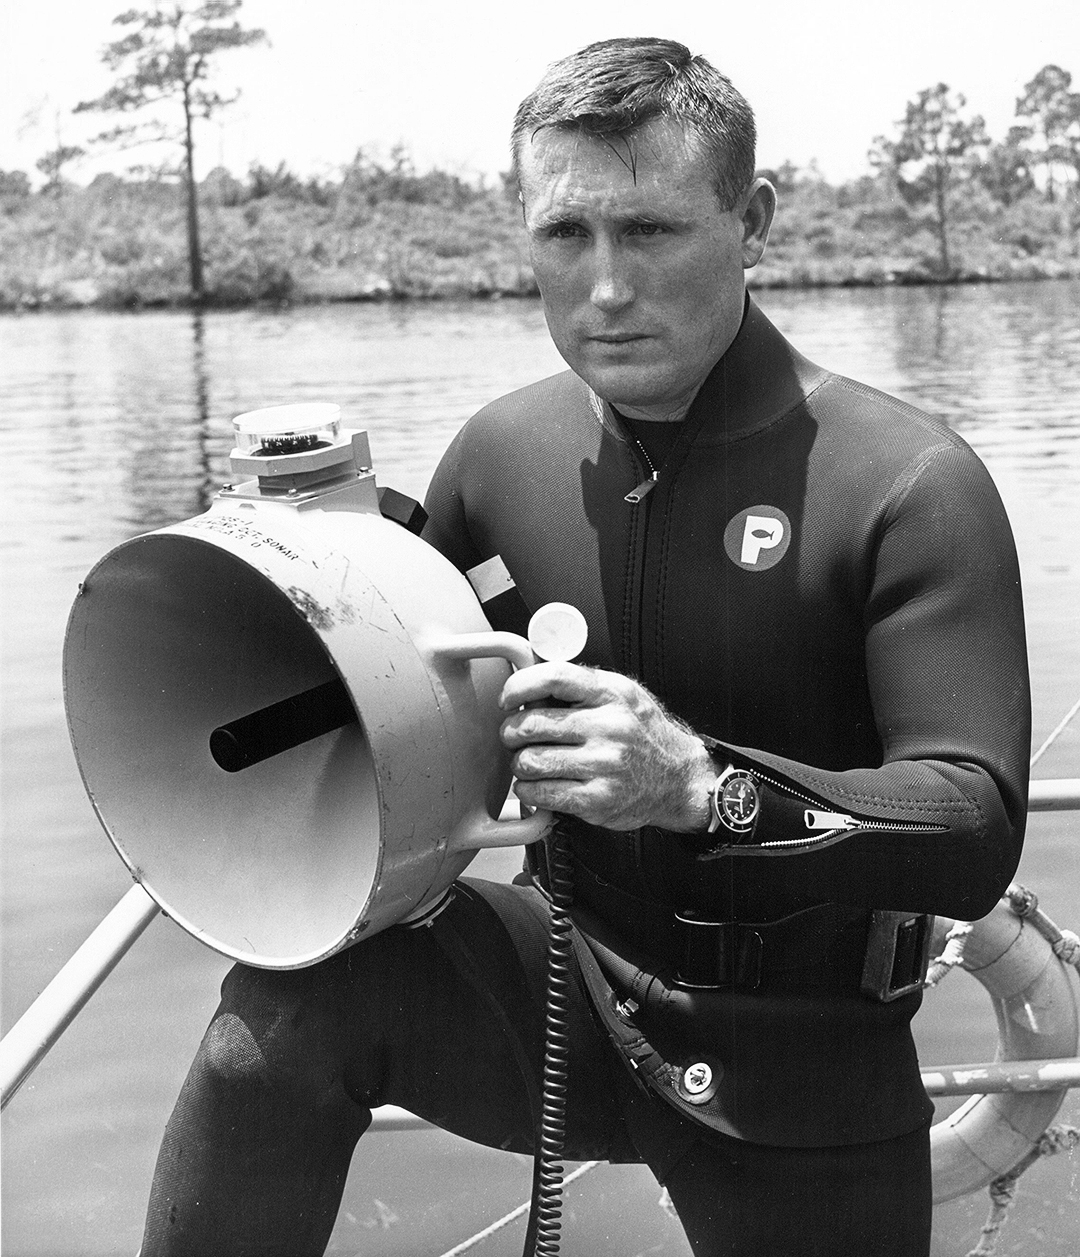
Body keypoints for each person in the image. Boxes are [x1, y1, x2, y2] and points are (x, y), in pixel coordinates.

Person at [140, 37, 1030, 1257]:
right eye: (566, 236)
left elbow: (973, 829)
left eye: (652, 232)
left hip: (806, 1045)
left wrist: (700, 786)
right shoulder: (500, 457)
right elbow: (370, 724)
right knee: (282, 1020)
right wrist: (297, 586)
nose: (606, 286)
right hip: (563, 976)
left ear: (753, 220)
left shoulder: (906, 482)